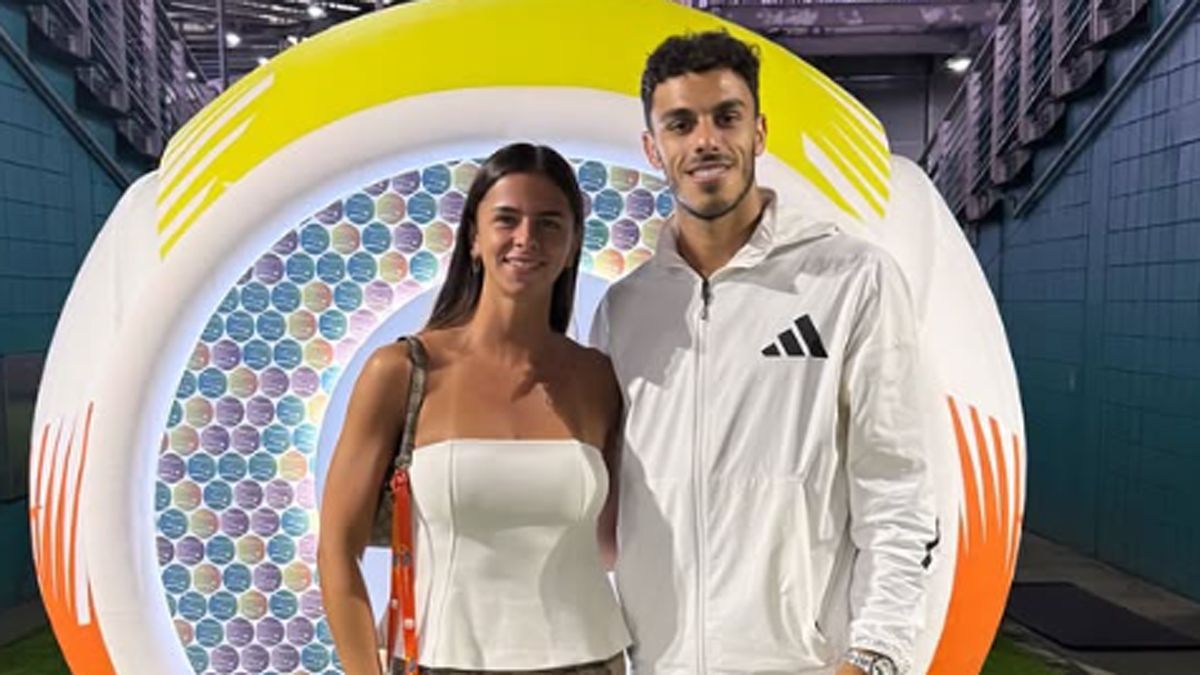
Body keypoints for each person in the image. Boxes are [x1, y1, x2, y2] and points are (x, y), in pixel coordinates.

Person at [590, 32, 937, 675]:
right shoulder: (623, 310)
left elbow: (896, 485)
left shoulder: (851, 279)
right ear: (653, 148)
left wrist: (878, 652)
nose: (705, 141)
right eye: (680, 123)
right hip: (655, 663)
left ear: (760, 132)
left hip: (806, 661)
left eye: (727, 117)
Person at [319, 143, 631, 675]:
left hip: (589, 659)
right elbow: (336, 549)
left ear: (574, 243)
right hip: (438, 661)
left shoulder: (600, 378)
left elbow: (613, 541)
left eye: (550, 223)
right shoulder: (401, 371)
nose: (526, 239)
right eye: (507, 219)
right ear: (474, 238)